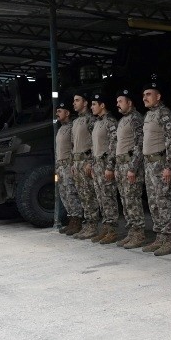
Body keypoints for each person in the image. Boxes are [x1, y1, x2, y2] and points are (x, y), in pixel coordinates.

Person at [141, 81, 171, 257]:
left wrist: (169, 167)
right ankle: (159, 237)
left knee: (163, 202)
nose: (145, 98)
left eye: (148, 94)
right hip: (149, 165)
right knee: (153, 203)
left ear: (158, 96)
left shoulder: (164, 114)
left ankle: (168, 240)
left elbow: (170, 142)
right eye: (144, 95)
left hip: (160, 164)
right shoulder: (148, 115)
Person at [114, 87, 148, 249]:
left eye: (120, 102)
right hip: (121, 165)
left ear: (129, 102)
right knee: (125, 201)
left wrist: (133, 168)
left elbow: (139, 145)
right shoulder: (123, 120)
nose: (118, 105)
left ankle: (139, 234)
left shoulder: (135, 119)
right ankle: (131, 232)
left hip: (130, 165)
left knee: (133, 200)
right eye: (117, 102)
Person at [87, 93, 120, 244]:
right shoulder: (96, 123)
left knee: (108, 198)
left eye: (94, 104)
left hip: (106, 164)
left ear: (102, 105)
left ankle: (112, 230)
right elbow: (94, 147)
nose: (92, 107)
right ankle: (106, 228)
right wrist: (93, 164)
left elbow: (114, 146)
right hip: (97, 164)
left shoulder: (111, 122)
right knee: (101, 198)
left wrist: (110, 166)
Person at [70, 92, 100, 239]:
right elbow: (72, 144)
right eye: (74, 101)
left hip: (86, 161)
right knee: (82, 195)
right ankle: (87, 224)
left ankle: (93, 225)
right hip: (77, 162)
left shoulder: (91, 120)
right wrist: (72, 163)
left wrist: (90, 162)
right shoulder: (75, 122)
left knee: (89, 195)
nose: (74, 103)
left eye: (77, 100)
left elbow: (96, 143)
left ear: (85, 103)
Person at [54, 100, 83, 235]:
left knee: (71, 193)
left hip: (68, 165)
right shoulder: (61, 128)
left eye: (60, 111)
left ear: (67, 113)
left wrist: (72, 164)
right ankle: (71, 218)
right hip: (60, 166)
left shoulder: (72, 127)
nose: (57, 114)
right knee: (64, 194)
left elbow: (74, 147)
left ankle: (77, 220)